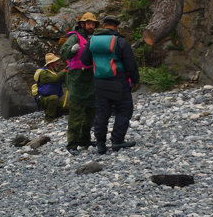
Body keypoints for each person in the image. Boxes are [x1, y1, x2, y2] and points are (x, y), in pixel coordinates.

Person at [82, 16, 140, 154]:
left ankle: (101, 143)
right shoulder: (120, 42)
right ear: (116, 27)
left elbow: (85, 60)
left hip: (99, 81)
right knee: (124, 109)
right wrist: (135, 80)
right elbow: (130, 65)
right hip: (118, 81)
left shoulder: (92, 41)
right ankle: (117, 140)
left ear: (103, 25)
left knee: (102, 112)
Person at [59, 11, 99, 152]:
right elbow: (64, 51)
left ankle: (85, 140)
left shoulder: (95, 38)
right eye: (88, 23)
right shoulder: (75, 37)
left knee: (90, 112)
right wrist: (72, 49)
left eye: (93, 24)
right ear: (82, 24)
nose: (91, 26)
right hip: (77, 79)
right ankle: (72, 145)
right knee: (76, 114)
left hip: (91, 79)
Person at [32, 53, 66, 120]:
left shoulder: (53, 71)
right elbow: (55, 78)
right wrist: (65, 70)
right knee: (54, 98)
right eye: (56, 61)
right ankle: (49, 117)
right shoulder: (44, 73)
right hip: (43, 100)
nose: (57, 63)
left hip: (53, 100)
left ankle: (55, 112)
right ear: (51, 63)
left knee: (69, 108)